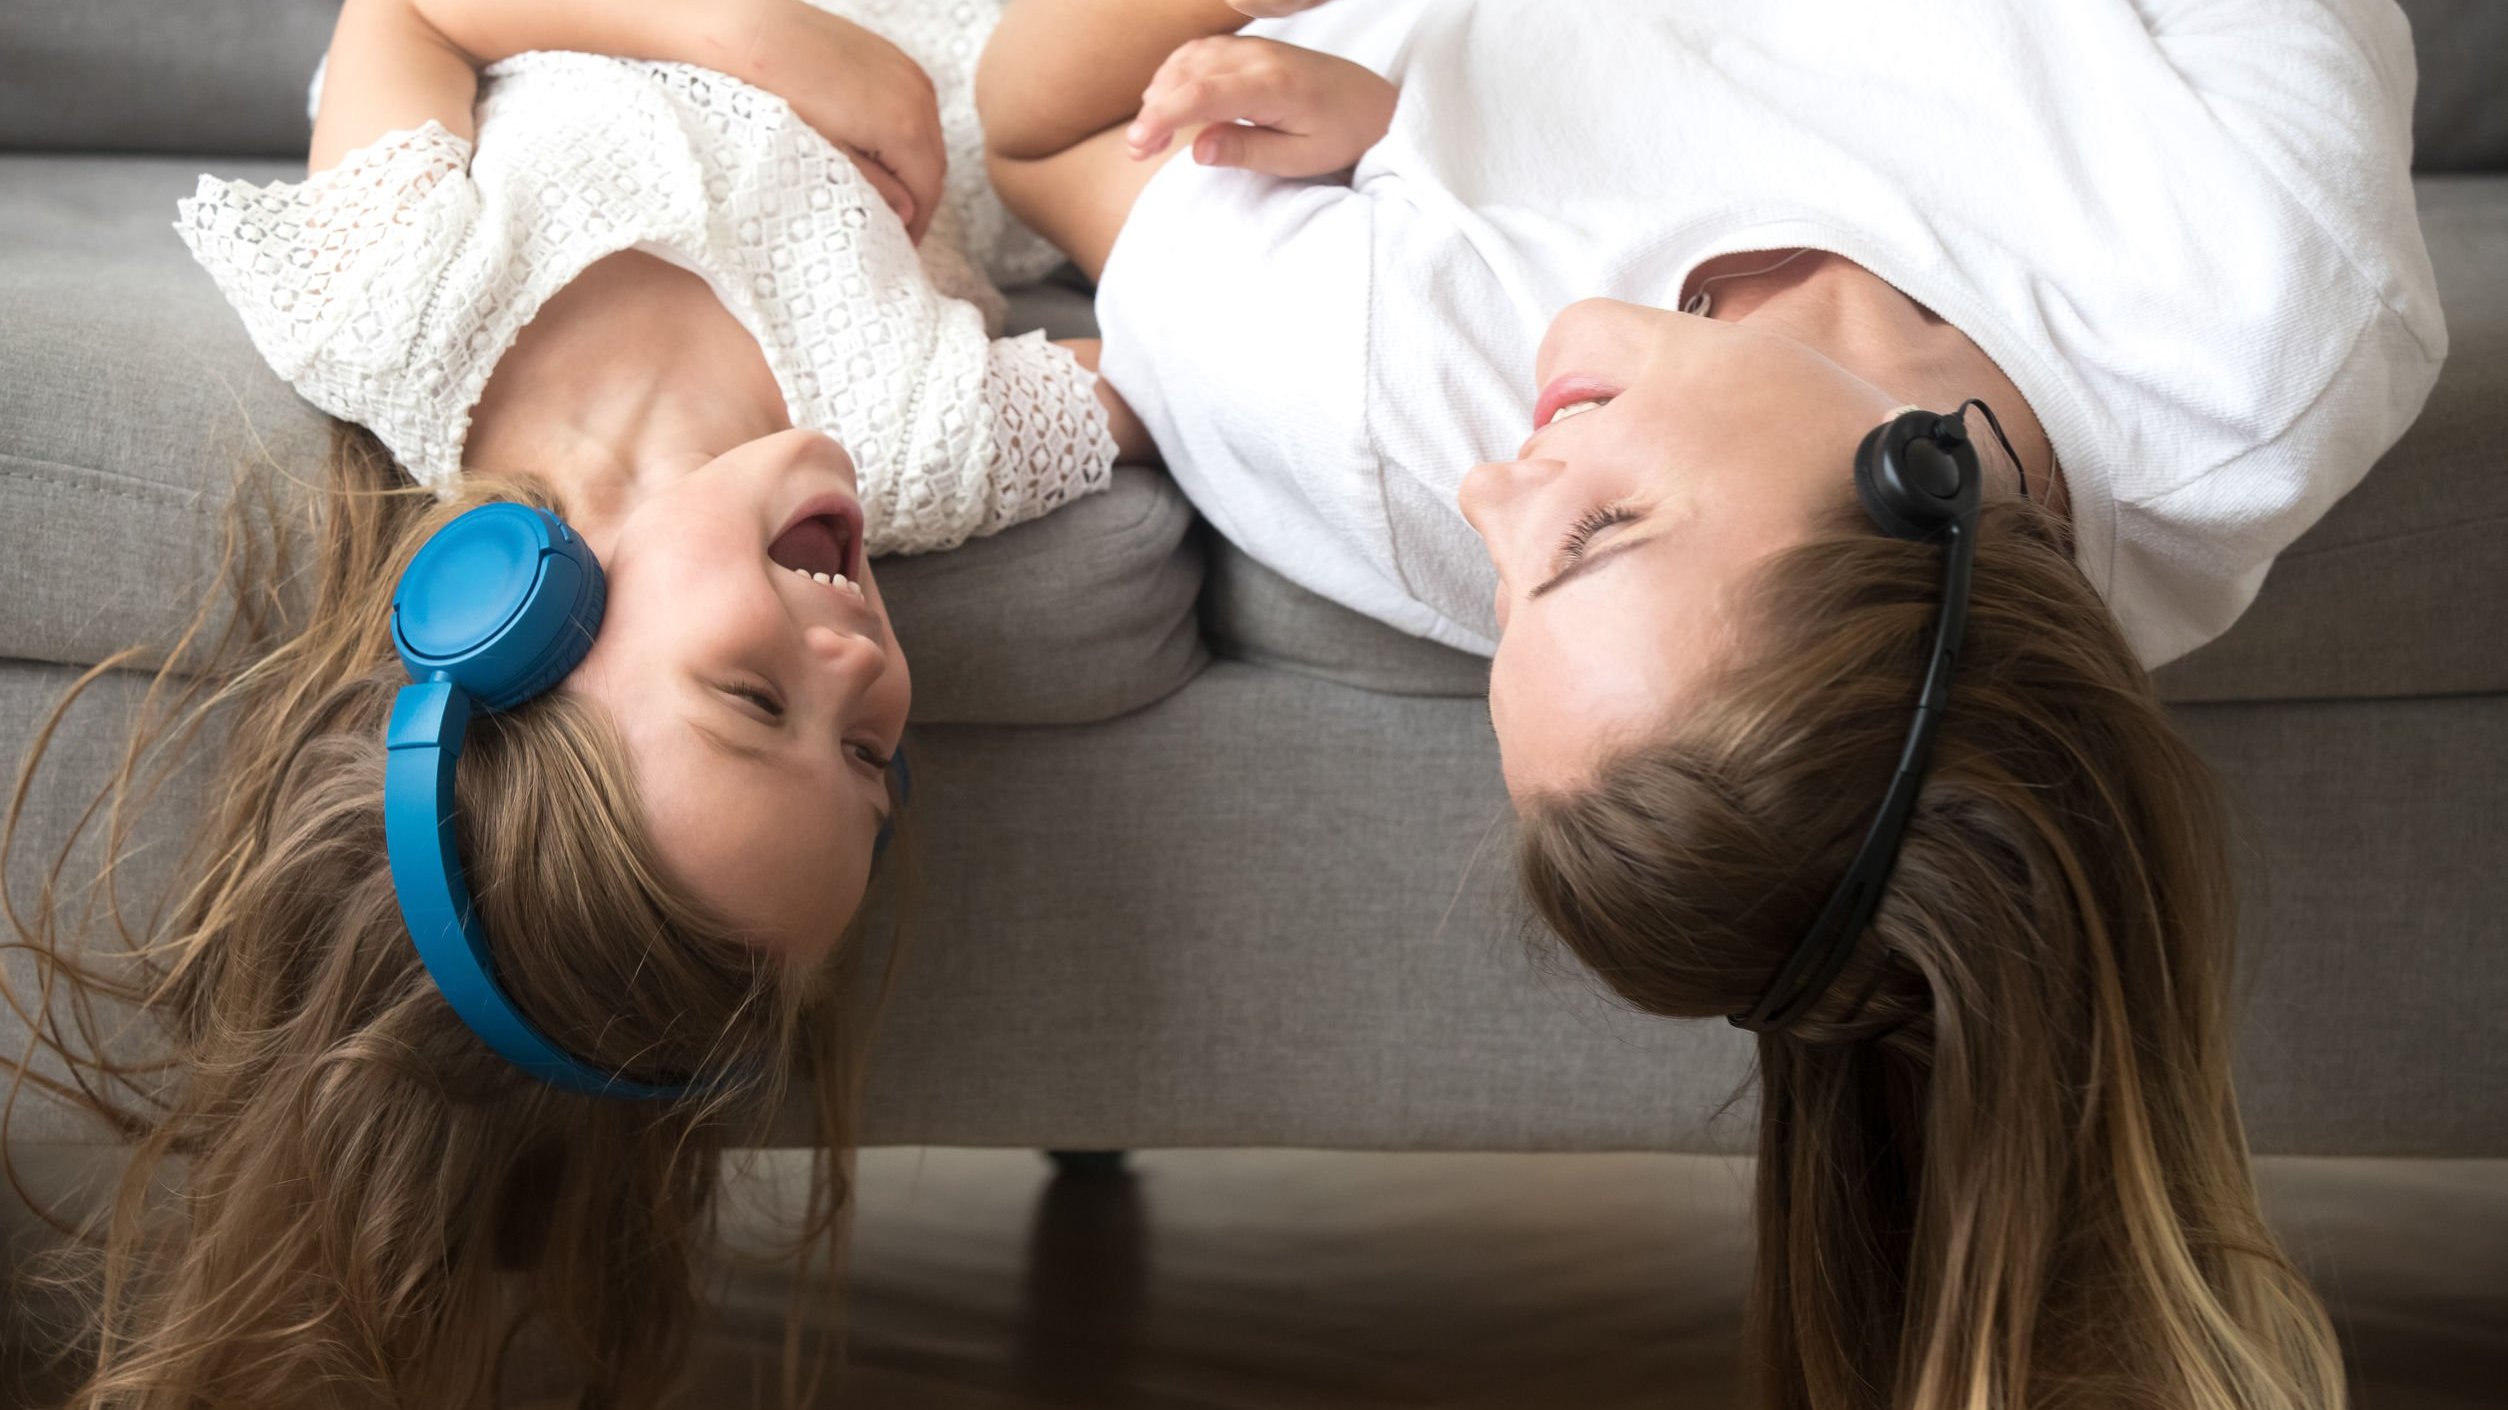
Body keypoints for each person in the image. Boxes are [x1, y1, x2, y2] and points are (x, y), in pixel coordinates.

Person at [976, 1, 2445, 1405]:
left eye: (1500, 592)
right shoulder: (2258, 315)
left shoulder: (1380, 406)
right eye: (1599, 533)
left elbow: (1044, 136)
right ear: (1917, 497)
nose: (1493, 484)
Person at [0, 0, 1134, 1404]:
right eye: (864, 754)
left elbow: (411, 9)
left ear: (516, 625)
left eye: (750, 698)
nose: (859, 670)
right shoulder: (930, 441)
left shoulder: (403, 310)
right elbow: (1195, 371)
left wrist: (779, 44)